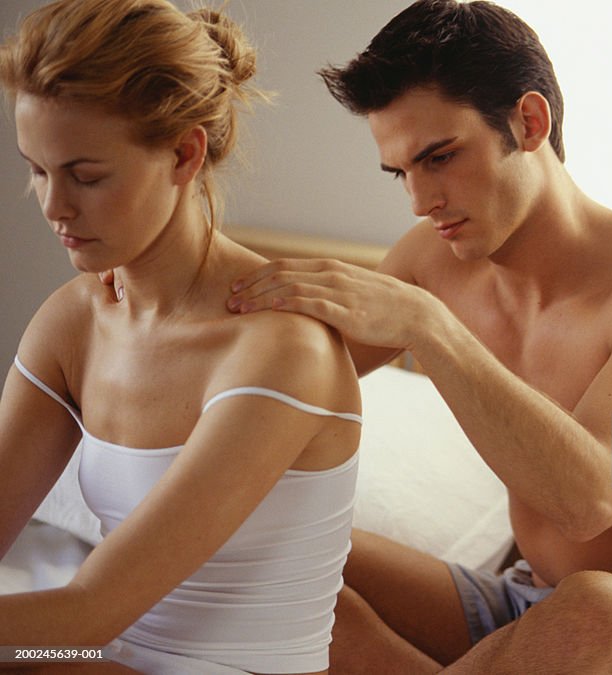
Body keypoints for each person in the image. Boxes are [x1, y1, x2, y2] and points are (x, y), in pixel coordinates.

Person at [228, 1, 612, 673]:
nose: (419, 200)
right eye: (401, 172)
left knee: (597, 608)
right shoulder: (430, 261)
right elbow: (278, 374)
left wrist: (428, 326)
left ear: (529, 121)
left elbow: (590, 501)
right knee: (260, 541)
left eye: (440, 157)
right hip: (524, 602)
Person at [0, 1, 361, 673]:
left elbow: (89, 613)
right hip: (102, 656)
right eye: (37, 169)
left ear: (183, 153)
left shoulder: (280, 349)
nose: (54, 207)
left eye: (86, 174)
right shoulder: (74, 321)